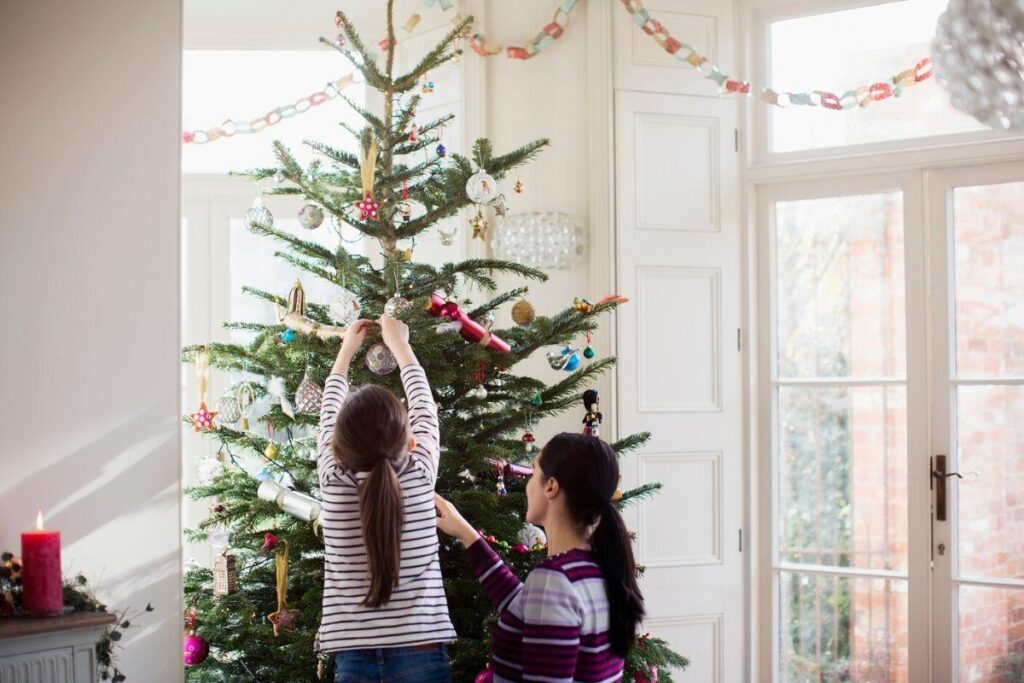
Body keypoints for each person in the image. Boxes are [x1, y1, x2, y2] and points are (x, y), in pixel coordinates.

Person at [435, 433, 645, 682]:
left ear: (551, 486)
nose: (527, 484)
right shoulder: (597, 568)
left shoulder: (555, 579)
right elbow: (522, 604)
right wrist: (467, 534)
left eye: (533, 472)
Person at [317, 316, 455, 682]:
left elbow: (328, 415)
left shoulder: (332, 481)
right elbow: (425, 408)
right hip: (422, 649)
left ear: (337, 450)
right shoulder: (420, 475)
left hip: (353, 655)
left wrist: (346, 351)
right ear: (410, 443)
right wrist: (400, 345)